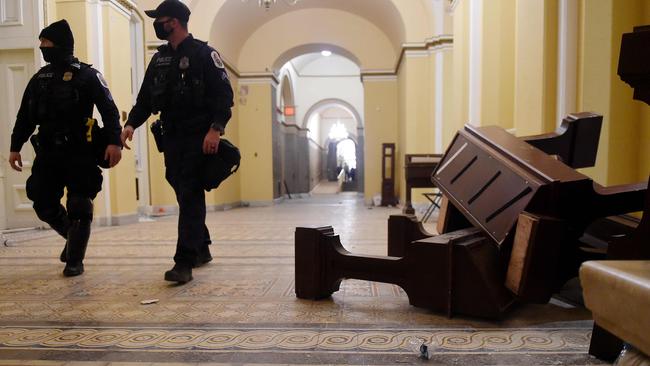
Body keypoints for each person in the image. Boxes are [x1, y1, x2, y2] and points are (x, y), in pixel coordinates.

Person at [121, 0, 234, 283]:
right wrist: (131, 124)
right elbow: (146, 98)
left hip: (198, 136)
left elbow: (224, 96)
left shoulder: (204, 54)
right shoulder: (159, 59)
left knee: (190, 192)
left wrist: (215, 129)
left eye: (161, 19)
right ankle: (202, 246)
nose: (157, 24)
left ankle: (184, 262)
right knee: (182, 189)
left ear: (175, 22)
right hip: (171, 138)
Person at [8, 19, 122, 277]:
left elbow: (109, 111)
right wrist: (15, 147)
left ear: (59, 44)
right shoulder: (40, 78)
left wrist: (115, 142)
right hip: (48, 152)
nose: (41, 47)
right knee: (41, 200)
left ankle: (75, 260)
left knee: (80, 204)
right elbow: (24, 116)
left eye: (45, 42)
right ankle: (73, 237)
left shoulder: (88, 75)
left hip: (80, 150)